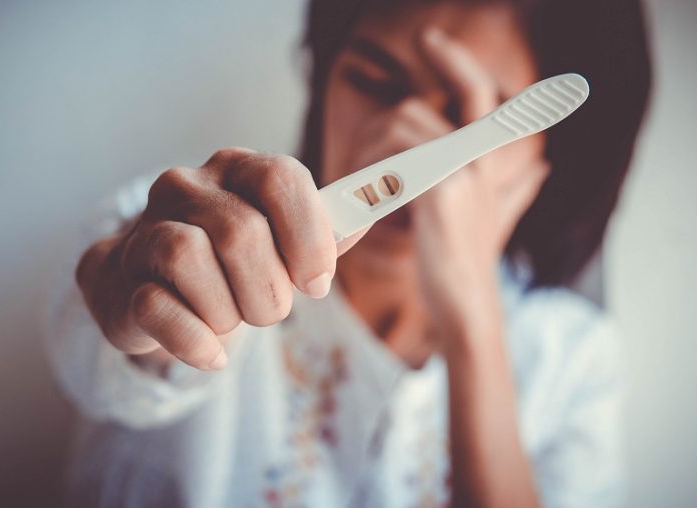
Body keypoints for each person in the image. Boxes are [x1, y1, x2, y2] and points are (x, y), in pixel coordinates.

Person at [46, 0, 651, 506]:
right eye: (373, 81)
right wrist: (141, 298)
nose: (400, 141)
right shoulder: (194, 229)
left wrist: (472, 322)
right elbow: (101, 347)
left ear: (544, 167)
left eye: (469, 119)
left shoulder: (574, 362)